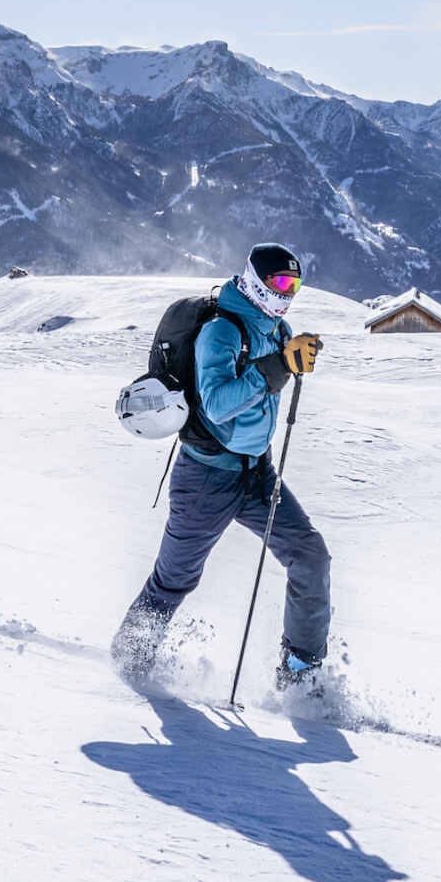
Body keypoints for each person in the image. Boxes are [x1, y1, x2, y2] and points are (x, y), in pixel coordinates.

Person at [111, 242, 329, 692]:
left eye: (295, 285)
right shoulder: (222, 332)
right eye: (280, 283)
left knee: (310, 557)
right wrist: (277, 365)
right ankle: (130, 658)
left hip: (257, 472)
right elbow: (217, 403)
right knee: (175, 579)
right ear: (253, 280)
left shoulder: (276, 327)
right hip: (206, 477)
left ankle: (300, 678)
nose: (287, 293)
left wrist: (288, 359)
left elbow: (268, 381)